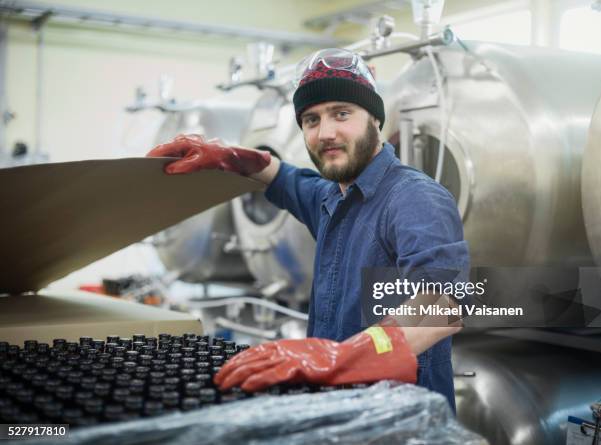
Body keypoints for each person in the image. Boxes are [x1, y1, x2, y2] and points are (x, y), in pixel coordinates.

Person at [147, 48, 469, 410]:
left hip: (402, 421)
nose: (326, 133)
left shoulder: (414, 198)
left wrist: (341, 357)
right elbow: (283, 177)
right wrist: (227, 155)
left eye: (341, 114)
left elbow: (443, 304)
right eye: (312, 120)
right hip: (337, 412)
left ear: (376, 120)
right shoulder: (331, 200)